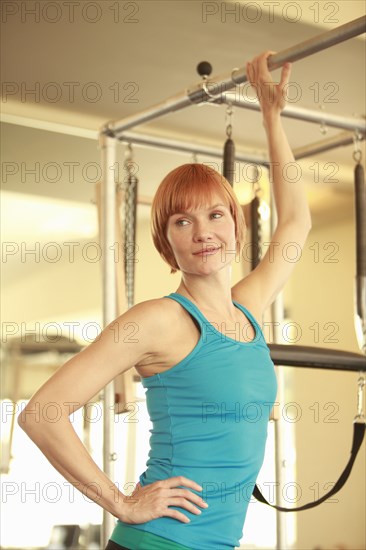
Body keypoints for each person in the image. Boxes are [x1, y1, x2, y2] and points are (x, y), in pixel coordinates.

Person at [18, 51, 312, 550]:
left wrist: (270, 115)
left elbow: (297, 223)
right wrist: (122, 502)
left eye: (217, 215)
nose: (203, 233)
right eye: (182, 221)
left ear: (238, 227)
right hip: (159, 541)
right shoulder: (158, 320)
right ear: (166, 243)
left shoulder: (246, 308)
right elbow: (41, 412)